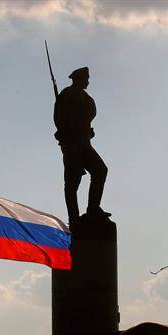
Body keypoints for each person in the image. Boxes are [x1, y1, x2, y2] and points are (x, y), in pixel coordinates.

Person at [53, 66, 110, 224]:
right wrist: (65, 134)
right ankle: (74, 218)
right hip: (72, 145)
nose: (88, 82)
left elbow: (87, 119)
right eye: (85, 79)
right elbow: (59, 119)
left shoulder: (87, 99)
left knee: (100, 170)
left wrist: (87, 131)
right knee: (72, 182)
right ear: (77, 79)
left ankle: (93, 208)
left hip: (84, 143)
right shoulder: (66, 94)